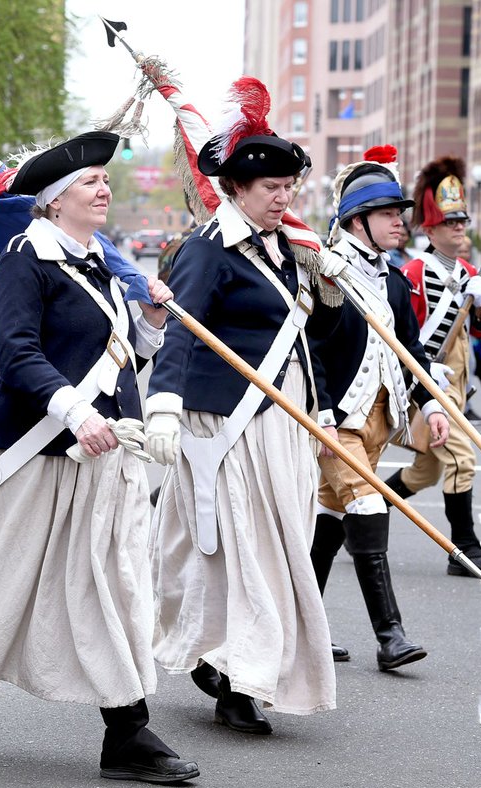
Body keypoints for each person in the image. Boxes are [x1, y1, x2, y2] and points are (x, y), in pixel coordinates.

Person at [0, 131, 199, 784]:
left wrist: (150, 316)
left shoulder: (101, 264)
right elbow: (19, 352)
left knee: (112, 587)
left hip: (102, 457)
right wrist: (77, 414)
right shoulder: (24, 260)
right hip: (25, 452)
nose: (104, 188)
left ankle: (126, 729)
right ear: (55, 201)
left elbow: (121, 355)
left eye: (106, 180)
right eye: (90, 182)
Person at [145, 78, 340, 735]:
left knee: (273, 548)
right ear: (236, 188)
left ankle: (226, 661)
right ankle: (238, 681)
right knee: (244, 554)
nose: (283, 198)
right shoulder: (206, 250)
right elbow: (180, 325)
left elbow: (302, 339)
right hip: (223, 424)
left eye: (289, 187)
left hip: (279, 421)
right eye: (270, 189)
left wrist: (335, 306)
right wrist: (165, 404)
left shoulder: (285, 250)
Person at [310, 145, 449, 670]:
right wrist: (320, 412)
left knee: (328, 518)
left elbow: (412, 354)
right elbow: (310, 352)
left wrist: (431, 405)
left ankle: (308, 628)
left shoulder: (392, 280)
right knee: (367, 504)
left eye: (399, 214)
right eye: (389, 214)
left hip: (377, 421)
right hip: (332, 420)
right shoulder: (326, 274)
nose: (400, 223)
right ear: (358, 220)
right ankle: (390, 636)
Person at [384, 156, 481, 580]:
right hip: (427, 382)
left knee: (427, 469)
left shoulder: (471, 272)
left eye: (462, 222)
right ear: (430, 228)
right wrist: (421, 374)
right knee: (462, 461)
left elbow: (479, 329)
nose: (460, 228)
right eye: (451, 223)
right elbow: (404, 330)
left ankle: (367, 509)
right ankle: (465, 550)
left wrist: (477, 301)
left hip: (457, 381)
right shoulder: (414, 273)